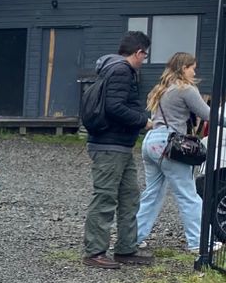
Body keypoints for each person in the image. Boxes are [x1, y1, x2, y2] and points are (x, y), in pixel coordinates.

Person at [83, 31, 154, 270]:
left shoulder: (111, 69)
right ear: (139, 52)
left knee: (129, 195)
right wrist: (143, 121)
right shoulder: (122, 71)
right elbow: (115, 107)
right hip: (109, 145)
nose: (144, 60)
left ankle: (125, 248)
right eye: (144, 55)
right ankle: (94, 252)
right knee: (105, 196)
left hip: (119, 144)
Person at [136, 52, 209, 253]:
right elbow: (208, 114)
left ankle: (134, 237)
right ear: (184, 68)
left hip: (151, 142)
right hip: (171, 145)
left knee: (152, 194)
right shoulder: (186, 89)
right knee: (188, 194)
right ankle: (199, 242)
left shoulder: (161, 88)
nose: (194, 71)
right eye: (192, 67)